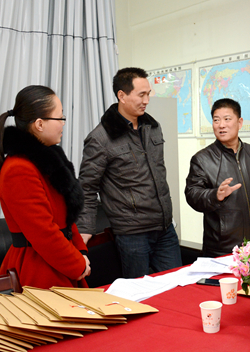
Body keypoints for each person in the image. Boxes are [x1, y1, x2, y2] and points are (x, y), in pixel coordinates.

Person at [78, 67, 182, 278]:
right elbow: (87, 188)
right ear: (122, 95)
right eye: (141, 95)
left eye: (148, 94)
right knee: (139, 292)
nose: (147, 100)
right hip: (132, 234)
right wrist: (84, 230)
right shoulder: (100, 138)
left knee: (178, 286)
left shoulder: (153, 127)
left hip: (164, 228)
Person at [0, 86, 90, 289]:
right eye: (60, 118)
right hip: (39, 269)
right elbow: (43, 233)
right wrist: (77, 263)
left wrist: (80, 252)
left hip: (60, 260)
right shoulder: (18, 169)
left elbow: (65, 219)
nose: (63, 123)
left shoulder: (48, 162)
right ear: (39, 124)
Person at [185, 98, 250, 257]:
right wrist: (215, 195)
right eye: (216, 120)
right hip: (222, 248)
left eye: (227, 119)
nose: (221, 125)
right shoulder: (202, 159)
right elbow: (192, 195)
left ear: (240, 122)